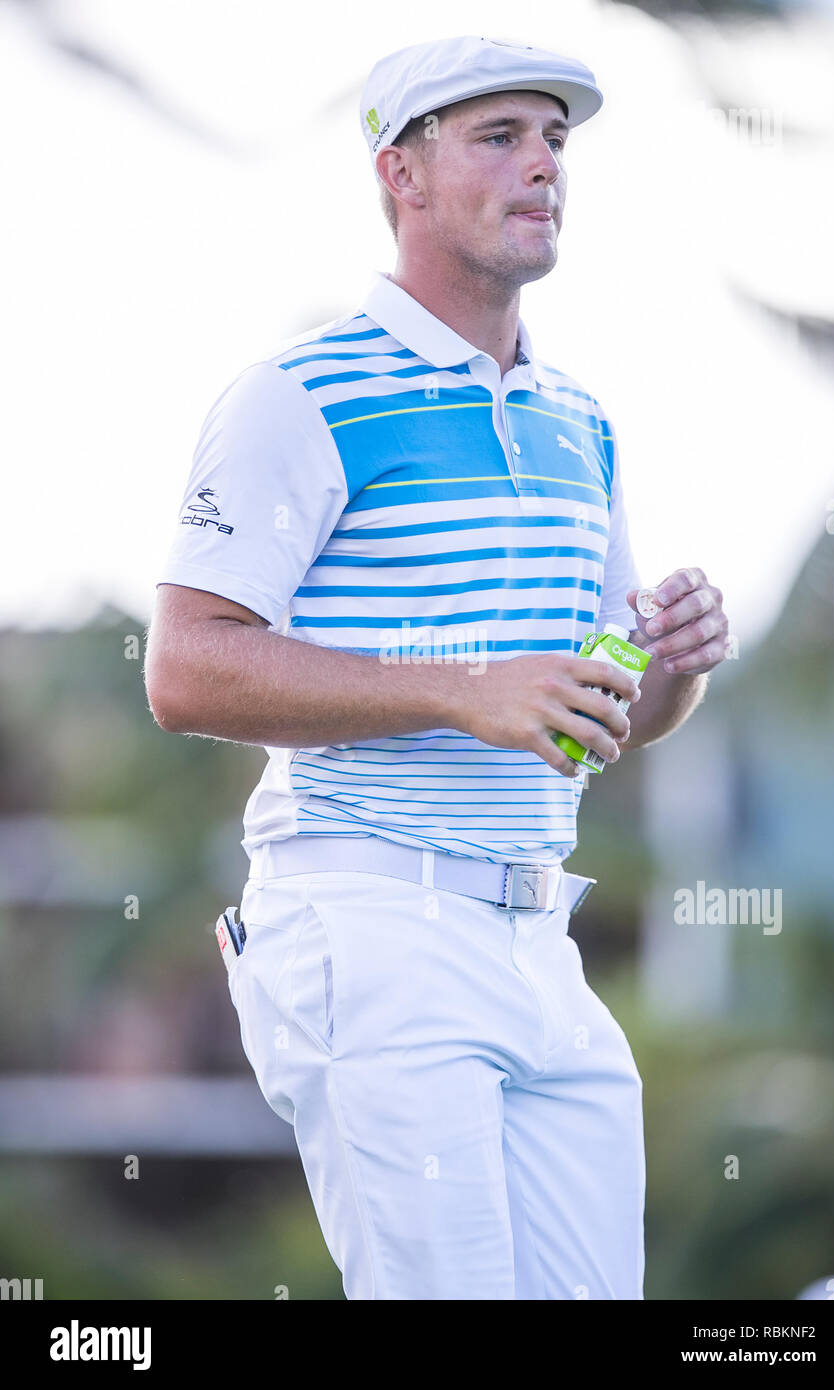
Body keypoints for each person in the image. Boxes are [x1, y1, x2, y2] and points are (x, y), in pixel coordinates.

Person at [144, 34, 728, 1300]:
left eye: (555, 142)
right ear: (397, 174)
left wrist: (671, 667)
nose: (542, 168)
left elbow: (591, 717)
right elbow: (185, 671)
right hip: (368, 922)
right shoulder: (295, 392)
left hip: (537, 936)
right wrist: (466, 689)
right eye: (498, 136)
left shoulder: (581, 421)